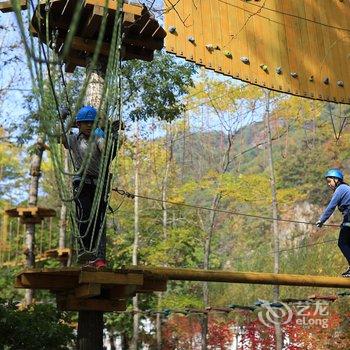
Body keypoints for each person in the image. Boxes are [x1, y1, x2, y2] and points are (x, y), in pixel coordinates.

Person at [63, 105, 121, 269]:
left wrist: (113, 137)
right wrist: (64, 120)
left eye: (92, 123)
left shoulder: (98, 138)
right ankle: (85, 251)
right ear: (79, 124)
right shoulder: (74, 139)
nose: (89, 125)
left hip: (99, 184)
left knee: (98, 221)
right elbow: (61, 137)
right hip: (81, 183)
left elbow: (107, 152)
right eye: (85, 123)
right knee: (84, 216)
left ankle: (98, 257)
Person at [316, 168, 350, 277]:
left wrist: (321, 220)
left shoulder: (340, 189)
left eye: (329, 181)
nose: (329, 184)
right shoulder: (346, 189)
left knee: (342, 243)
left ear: (336, 180)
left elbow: (331, 207)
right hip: (348, 218)